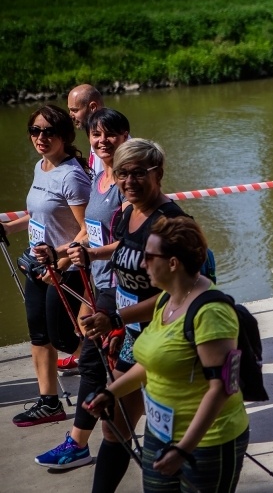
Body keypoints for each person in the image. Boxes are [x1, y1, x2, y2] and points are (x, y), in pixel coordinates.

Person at [85, 216, 249, 492]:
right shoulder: (167, 299)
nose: (141, 263)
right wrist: (112, 392)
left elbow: (222, 388)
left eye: (149, 256)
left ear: (173, 263)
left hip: (207, 443)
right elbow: (152, 365)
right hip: (160, 433)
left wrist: (184, 449)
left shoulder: (212, 313)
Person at [80, 138, 188, 493]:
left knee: (164, 432)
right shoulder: (130, 211)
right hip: (133, 338)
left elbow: (177, 297)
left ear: (158, 174)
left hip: (165, 342)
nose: (128, 181)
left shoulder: (171, 224)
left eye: (138, 173)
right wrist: (91, 254)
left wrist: (115, 319)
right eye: (122, 173)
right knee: (115, 426)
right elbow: (127, 247)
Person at [34, 109, 129, 469]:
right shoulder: (98, 178)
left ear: (125, 136)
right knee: (103, 358)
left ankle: (79, 443)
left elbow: (135, 238)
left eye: (111, 134)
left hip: (123, 286)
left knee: (95, 361)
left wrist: (87, 254)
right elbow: (90, 228)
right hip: (99, 282)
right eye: (96, 135)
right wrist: (59, 254)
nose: (102, 141)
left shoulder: (127, 180)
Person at [0, 105, 91, 426]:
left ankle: (112, 372)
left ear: (65, 136)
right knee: (39, 337)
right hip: (38, 265)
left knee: (65, 339)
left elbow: (87, 230)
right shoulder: (42, 167)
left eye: (49, 131)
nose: (41, 137)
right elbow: (39, 214)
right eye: (35, 131)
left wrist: (60, 253)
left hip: (64, 269)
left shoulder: (73, 175)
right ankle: (49, 402)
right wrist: (10, 228)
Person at [68, 84, 106, 179]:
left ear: (93, 107)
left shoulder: (109, 141)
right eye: (70, 110)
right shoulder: (97, 135)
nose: (71, 116)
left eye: (75, 110)